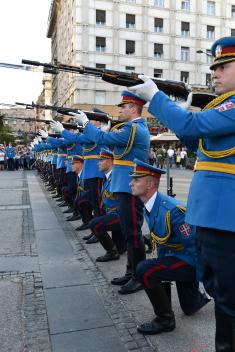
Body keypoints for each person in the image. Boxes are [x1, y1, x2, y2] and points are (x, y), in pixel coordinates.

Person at [128, 36, 235, 351]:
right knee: (221, 294)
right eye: (213, 67)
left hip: (226, 219)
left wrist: (156, 99)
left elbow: (192, 124)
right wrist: (178, 115)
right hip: (211, 217)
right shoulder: (222, 109)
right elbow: (201, 145)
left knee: (229, 301)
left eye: (224, 67)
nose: (214, 73)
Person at [56, 91, 150, 294]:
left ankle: (139, 276)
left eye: (122, 107)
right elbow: (105, 140)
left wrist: (86, 123)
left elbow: (101, 137)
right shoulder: (129, 128)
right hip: (125, 185)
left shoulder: (134, 129)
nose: (119, 110)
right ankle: (131, 272)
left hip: (130, 187)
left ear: (133, 109)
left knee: (133, 233)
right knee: (128, 231)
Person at [129, 159, 210, 335]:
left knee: (145, 270)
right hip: (177, 257)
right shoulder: (149, 204)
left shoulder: (172, 211)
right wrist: (162, 264)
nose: (131, 183)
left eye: (136, 180)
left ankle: (165, 320)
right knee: (190, 308)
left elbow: (195, 246)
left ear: (150, 184)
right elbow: (162, 240)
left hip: (188, 259)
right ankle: (198, 298)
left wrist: (206, 277)